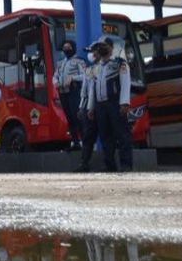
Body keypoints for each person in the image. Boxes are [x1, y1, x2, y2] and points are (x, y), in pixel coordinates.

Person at [89, 35, 133, 172]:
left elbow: (125, 83)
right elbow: (92, 89)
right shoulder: (96, 68)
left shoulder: (119, 63)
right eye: (99, 46)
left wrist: (124, 103)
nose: (101, 48)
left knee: (122, 135)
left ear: (111, 48)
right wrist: (91, 107)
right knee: (105, 136)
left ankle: (126, 164)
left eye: (104, 46)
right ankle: (110, 166)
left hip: (115, 104)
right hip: (101, 106)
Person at [54, 40, 87, 150]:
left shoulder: (79, 61)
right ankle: (75, 141)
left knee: (77, 116)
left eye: (68, 47)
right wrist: (56, 83)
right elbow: (55, 76)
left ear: (73, 48)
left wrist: (73, 78)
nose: (66, 49)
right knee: (69, 118)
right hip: (63, 92)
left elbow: (85, 75)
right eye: (64, 47)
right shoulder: (60, 63)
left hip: (74, 91)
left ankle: (84, 141)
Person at [74, 42, 101, 172]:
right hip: (87, 108)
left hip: (100, 106)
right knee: (87, 137)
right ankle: (84, 163)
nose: (91, 54)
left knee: (107, 136)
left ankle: (111, 163)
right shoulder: (89, 70)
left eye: (93, 51)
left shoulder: (104, 68)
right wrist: (81, 107)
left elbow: (96, 91)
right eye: (90, 52)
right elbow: (84, 91)